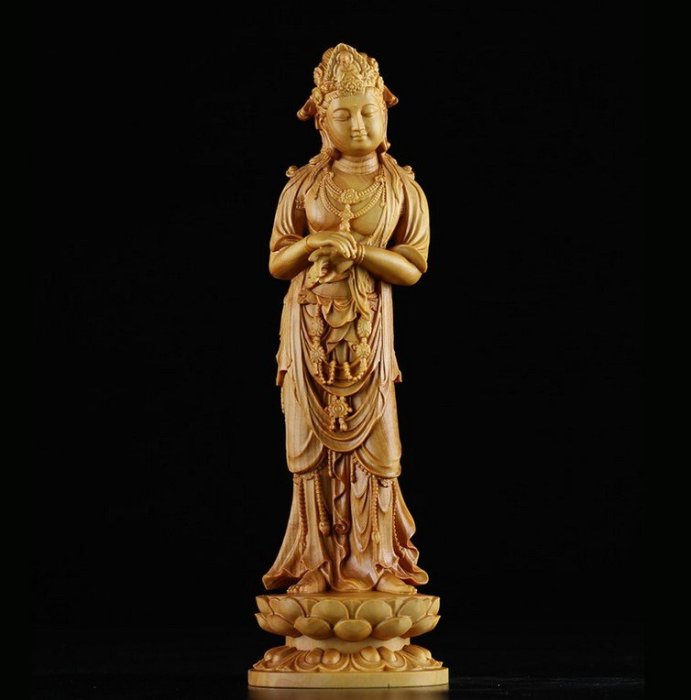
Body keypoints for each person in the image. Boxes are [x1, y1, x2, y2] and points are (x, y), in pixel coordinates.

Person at [263, 44, 431, 595]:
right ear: (322, 122)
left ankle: (375, 565)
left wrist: (360, 252)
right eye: (343, 114)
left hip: (368, 336)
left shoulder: (403, 189)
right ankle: (317, 566)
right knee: (309, 450)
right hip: (308, 333)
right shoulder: (303, 186)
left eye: (368, 112)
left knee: (378, 450)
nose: (358, 125)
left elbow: (413, 267)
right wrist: (314, 243)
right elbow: (277, 261)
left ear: (385, 114)